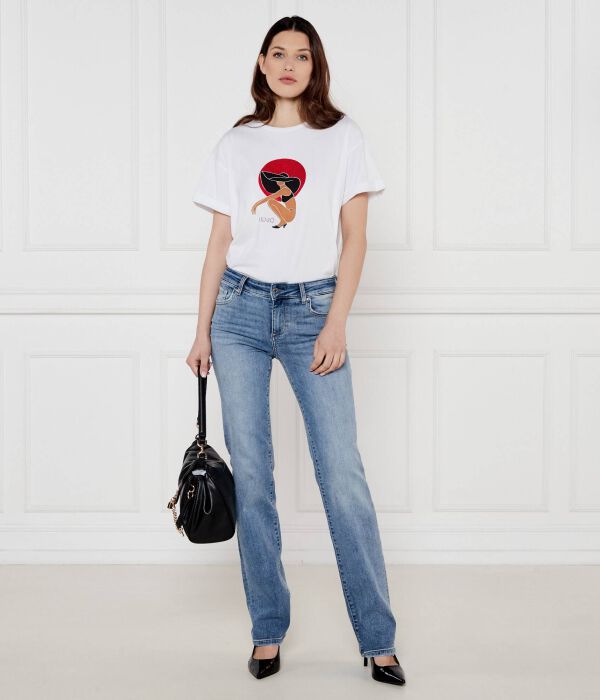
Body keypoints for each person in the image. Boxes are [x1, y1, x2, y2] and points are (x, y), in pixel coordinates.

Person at [186, 15, 406, 686]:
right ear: (261, 63)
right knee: (253, 477)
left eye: (301, 55)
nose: (289, 64)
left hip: (315, 311)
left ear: (316, 66)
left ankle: (378, 639)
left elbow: (355, 238)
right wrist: (201, 329)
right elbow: (220, 243)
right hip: (240, 314)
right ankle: (267, 629)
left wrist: (337, 323)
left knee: (342, 475)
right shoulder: (237, 142)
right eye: (278, 53)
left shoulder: (342, 137)